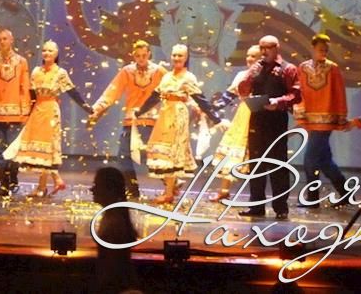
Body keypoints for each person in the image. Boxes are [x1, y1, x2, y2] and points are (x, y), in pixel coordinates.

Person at [135, 44, 221, 204]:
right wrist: (139, 112)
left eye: (180, 55)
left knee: (172, 152)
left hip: (178, 115)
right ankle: (172, 187)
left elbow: (200, 99)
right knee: (161, 150)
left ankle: (168, 193)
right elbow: (155, 96)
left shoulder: (188, 77)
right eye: (174, 55)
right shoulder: (167, 77)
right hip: (165, 114)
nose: (176, 58)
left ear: (186, 57)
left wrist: (215, 118)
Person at [86, 40, 167, 199]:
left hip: (150, 120)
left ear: (149, 54)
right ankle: (132, 189)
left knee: (150, 156)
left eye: (144, 55)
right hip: (130, 120)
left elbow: (173, 86)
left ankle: (170, 184)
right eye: (138, 56)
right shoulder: (127, 71)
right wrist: (97, 109)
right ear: (133, 56)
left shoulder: (159, 71)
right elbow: (112, 92)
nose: (141, 59)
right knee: (123, 156)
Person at [12, 40, 92, 196]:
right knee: (39, 150)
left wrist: (86, 108)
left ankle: (46, 185)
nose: (46, 53)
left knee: (47, 148)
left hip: (50, 111)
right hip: (38, 110)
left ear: (56, 54)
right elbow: (32, 94)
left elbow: (72, 92)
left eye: (50, 51)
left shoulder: (60, 73)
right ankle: (47, 184)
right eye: (44, 50)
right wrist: (27, 113)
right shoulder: (36, 71)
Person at [237, 35, 301, 220]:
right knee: (255, 163)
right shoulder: (256, 68)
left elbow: (296, 94)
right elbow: (243, 90)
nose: (264, 52)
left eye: (268, 48)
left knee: (277, 164)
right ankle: (256, 205)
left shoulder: (288, 69)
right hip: (257, 118)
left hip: (276, 120)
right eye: (262, 48)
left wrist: (278, 102)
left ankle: (281, 207)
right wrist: (250, 74)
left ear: (277, 48)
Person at [295, 33, 349, 207]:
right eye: (320, 50)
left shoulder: (333, 68)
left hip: (326, 120)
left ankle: (313, 199)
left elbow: (339, 93)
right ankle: (345, 193)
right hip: (310, 119)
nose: (323, 53)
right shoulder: (303, 68)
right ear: (313, 48)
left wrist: (341, 116)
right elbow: (300, 93)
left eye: (326, 50)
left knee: (310, 160)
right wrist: (301, 115)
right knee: (325, 161)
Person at [209, 44, 262, 201]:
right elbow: (229, 95)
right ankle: (224, 190)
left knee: (257, 155)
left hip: (259, 116)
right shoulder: (242, 75)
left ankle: (257, 197)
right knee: (231, 149)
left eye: (254, 56)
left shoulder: (264, 76)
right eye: (248, 55)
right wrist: (213, 107)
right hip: (243, 115)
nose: (249, 59)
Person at [0, 27, 31, 196]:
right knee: (0, 150)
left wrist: (25, 112)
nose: (2, 42)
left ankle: (13, 180)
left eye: (5, 38)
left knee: (13, 150)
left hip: (16, 113)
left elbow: (24, 87)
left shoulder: (21, 62)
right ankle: (3, 184)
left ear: (11, 40)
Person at [91, 167, 140, 294]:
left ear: (110, 190)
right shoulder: (113, 216)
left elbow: (112, 266)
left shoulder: (114, 222)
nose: (92, 190)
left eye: (97, 185)